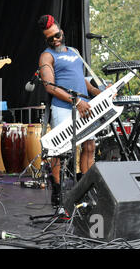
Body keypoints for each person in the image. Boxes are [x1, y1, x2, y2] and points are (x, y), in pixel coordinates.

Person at [37, 15, 103, 207]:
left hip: (85, 106)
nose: (55, 40)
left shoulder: (74, 52)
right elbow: (50, 87)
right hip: (64, 107)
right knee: (61, 151)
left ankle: (84, 190)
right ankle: (57, 194)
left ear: (62, 32)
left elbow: (81, 80)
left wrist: (97, 91)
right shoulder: (47, 55)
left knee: (89, 146)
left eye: (57, 35)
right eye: (50, 38)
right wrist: (76, 101)